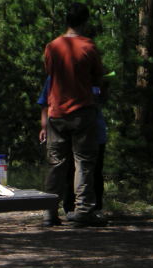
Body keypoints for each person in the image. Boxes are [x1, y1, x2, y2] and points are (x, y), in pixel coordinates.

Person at [42, 2, 106, 227]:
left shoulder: (52, 47)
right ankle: (83, 210)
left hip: (56, 112)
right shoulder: (88, 46)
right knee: (84, 163)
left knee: (56, 163)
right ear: (85, 22)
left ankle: (50, 212)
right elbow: (98, 77)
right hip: (82, 111)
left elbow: (50, 73)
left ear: (66, 21)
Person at [38, 75, 107, 218]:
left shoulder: (90, 76)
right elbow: (45, 103)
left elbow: (101, 99)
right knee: (74, 169)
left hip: (92, 131)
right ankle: (75, 209)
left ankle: (88, 209)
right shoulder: (55, 77)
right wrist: (44, 126)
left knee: (90, 170)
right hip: (71, 130)